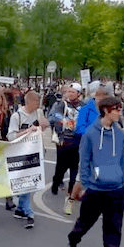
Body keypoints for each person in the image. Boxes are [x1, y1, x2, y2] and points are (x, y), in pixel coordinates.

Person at [66, 97, 124, 247]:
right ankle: (72, 241)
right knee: (85, 223)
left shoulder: (120, 135)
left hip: (116, 189)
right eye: (116, 109)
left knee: (114, 226)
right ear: (106, 110)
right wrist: (85, 185)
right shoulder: (90, 134)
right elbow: (84, 162)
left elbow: (123, 161)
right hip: (95, 189)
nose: (119, 112)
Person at [8, 91, 49, 229]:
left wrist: (44, 126)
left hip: (34, 154)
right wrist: (27, 131)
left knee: (29, 182)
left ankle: (20, 209)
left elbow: (41, 130)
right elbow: (11, 137)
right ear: (30, 102)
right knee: (26, 183)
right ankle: (29, 212)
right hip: (20, 154)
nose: (39, 105)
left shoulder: (38, 114)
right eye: (37, 102)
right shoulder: (17, 116)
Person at [48, 83, 85, 217]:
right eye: (68, 91)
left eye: (73, 92)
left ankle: (71, 192)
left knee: (75, 168)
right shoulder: (62, 104)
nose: (70, 94)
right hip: (64, 140)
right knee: (61, 167)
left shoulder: (83, 106)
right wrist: (65, 122)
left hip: (78, 140)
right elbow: (53, 117)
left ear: (79, 94)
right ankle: (56, 182)